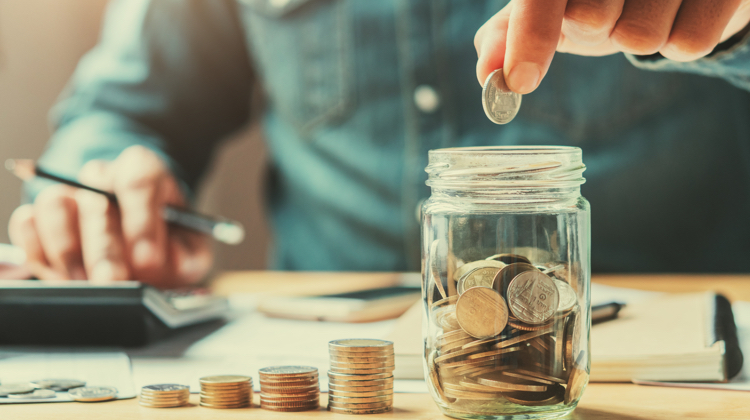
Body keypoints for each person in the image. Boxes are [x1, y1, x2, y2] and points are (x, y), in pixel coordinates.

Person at [8, 0, 750, 288]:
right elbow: (122, 109)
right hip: (327, 366)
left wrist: (735, 23)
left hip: (673, 343)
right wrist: (93, 184)